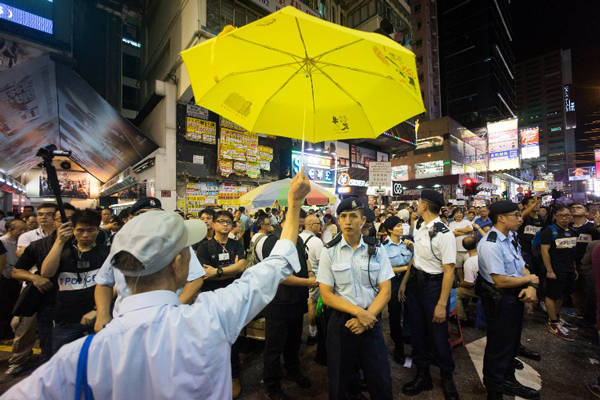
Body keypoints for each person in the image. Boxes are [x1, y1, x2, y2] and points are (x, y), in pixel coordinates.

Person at [2, 169, 312, 399]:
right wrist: (295, 202)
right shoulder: (212, 316)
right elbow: (277, 262)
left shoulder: (79, 359)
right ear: (179, 264)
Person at [317, 197, 394, 400]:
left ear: (363, 220)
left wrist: (367, 318)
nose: (348, 221)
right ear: (338, 221)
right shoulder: (329, 250)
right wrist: (359, 313)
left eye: (353, 216)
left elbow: (386, 289)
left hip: (371, 321)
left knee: (381, 382)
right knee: (338, 383)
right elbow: (326, 295)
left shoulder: (376, 248)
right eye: (343, 216)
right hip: (342, 323)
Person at [94, 197, 206, 331]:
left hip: (169, 324)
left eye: (156, 214)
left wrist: (173, 311)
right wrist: (102, 315)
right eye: (142, 214)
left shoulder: (174, 244)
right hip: (124, 322)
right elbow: (104, 281)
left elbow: (195, 279)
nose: (150, 219)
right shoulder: (121, 246)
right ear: (130, 218)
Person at [1, 205, 77, 384]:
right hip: (48, 303)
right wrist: (35, 279)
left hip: (78, 305)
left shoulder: (85, 243)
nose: (66, 223)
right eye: (60, 219)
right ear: (55, 221)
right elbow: (17, 271)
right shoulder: (38, 245)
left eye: (71, 219)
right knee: (48, 348)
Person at [477, 201, 540, 400]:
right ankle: (495, 388)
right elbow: (500, 280)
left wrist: (530, 284)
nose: (521, 218)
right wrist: (530, 279)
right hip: (500, 299)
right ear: (502, 218)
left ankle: (508, 380)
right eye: (516, 215)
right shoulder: (491, 244)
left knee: (511, 344)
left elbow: (521, 265)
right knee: (499, 346)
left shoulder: (510, 237)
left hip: (515, 297)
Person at [399, 190, 459, 399]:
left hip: (434, 288)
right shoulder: (419, 226)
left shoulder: (444, 234)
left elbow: (449, 270)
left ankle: (447, 377)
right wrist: (405, 282)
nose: (416, 204)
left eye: (418, 202)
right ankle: (422, 375)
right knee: (417, 331)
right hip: (416, 284)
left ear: (424, 205)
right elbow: (416, 258)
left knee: (438, 334)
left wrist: (442, 303)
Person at [261, 212, 316, 400]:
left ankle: (293, 370)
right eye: (297, 225)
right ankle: (272, 385)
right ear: (285, 222)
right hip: (278, 303)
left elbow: (305, 258)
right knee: (274, 348)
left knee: (294, 342)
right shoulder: (271, 241)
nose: (299, 229)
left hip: (296, 301)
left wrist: (309, 272)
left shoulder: (298, 239)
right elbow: (280, 276)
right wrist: (309, 283)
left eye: (302, 226)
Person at [40, 209, 109, 352]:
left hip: (96, 317)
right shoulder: (62, 251)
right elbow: (46, 272)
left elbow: (113, 285)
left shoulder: (106, 253)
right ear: (72, 230)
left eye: (91, 230)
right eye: (80, 230)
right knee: (63, 362)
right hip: (65, 319)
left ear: (97, 230)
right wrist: (59, 241)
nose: (85, 235)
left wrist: (98, 311)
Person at [196, 209, 247, 398]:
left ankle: (234, 375)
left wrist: (218, 272)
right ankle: (214, 374)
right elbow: (204, 273)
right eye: (221, 221)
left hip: (232, 295)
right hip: (211, 297)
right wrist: (229, 270)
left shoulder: (236, 244)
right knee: (212, 336)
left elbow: (241, 267)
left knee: (232, 336)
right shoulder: (204, 247)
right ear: (214, 225)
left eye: (228, 222)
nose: (225, 224)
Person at [540, 205, 578, 341]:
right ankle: (553, 322)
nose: (564, 218)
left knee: (562, 295)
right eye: (561, 215)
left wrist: (573, 268)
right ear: (555, 216)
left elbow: (572, 252)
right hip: (555, 270)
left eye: (567, 215)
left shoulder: (573, 232)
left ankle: (557, 316)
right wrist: (549, 270)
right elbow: (544, 251)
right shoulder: (549, 231)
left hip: (568, 270)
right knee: (551, 295)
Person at [382, 216, 413, 364]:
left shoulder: (407, 244)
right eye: (398, 226)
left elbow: (417, 260)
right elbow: (386, 269)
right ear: (389, 230)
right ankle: (398, 347)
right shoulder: (383, 247)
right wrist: (407, 267)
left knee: (412, 312)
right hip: (393, 283)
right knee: (394, 315)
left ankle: (411, 337)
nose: (401, 228)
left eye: (402, 225)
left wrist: (413, 248)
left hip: (410, 282)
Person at [570, 203, 600, 323]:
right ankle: (579, 312)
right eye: (573, 208)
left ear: (586, 213)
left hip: (588, 265)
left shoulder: (591, 228)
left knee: (590, 290)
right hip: (571, 263)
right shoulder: (567, 227)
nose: (575, 209)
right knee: (575, 290)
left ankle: (589, 317)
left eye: (579, 208)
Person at [0, 220, 27, 340]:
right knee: (5, 308)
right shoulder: (3, 241)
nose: (23, 232)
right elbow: (5, 265)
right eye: (20, 230)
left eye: (25, 230)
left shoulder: (20, 242)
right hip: (8, 279)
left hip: (19, 278)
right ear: (10, 230)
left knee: (14, 306)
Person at [300, 214, 324, 347]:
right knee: (312, 305)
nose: (320, 226)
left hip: (299, 277)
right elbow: (322, 262)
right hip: (313, 277)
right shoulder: (317, 242)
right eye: (318, 224)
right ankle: (312, 333)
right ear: (310, 225)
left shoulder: (297, 238)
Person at [456, 236, 478, 325]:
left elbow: (470, 283)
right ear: (476, 245)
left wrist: (460, 283)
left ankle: (462, 318)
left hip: (478, 289)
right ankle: (465, 310)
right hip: (490, 284)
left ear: (464, 248)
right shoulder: (483, 255)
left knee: (456, 293)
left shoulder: (469, 262)